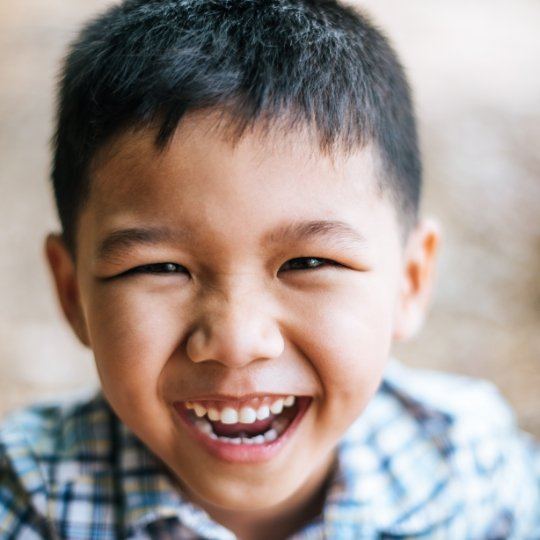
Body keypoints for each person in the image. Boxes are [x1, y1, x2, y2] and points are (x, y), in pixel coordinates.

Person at [1, 0, 539, 538]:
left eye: (308, 263)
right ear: (72, 293)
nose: (236, 341)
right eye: (161, 267)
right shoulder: (29, 499)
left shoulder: (469, 471)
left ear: (411, 281)